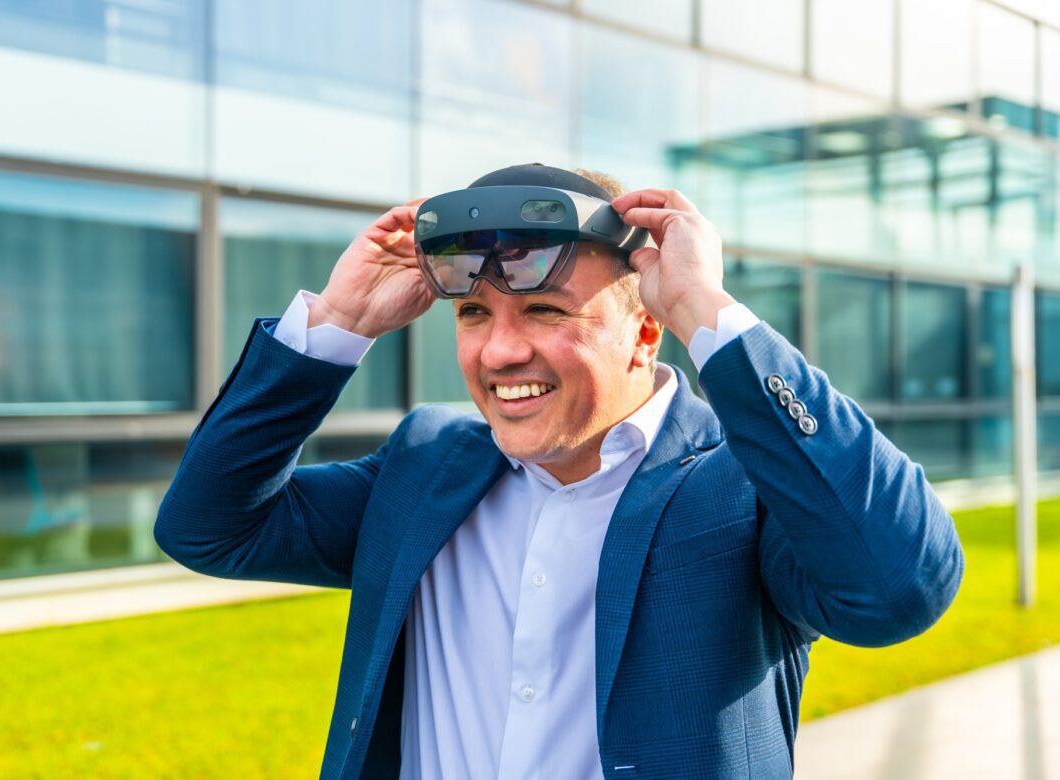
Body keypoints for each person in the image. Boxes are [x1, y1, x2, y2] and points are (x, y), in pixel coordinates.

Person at [155, 164, 964, 779]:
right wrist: (335, 326)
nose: (500, 351)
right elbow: (209, 527)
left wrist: (708, 313)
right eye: (474, 314)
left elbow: (899, 588)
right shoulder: (425, 465)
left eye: (545, 311)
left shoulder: (744, 484)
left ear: (646, 334)